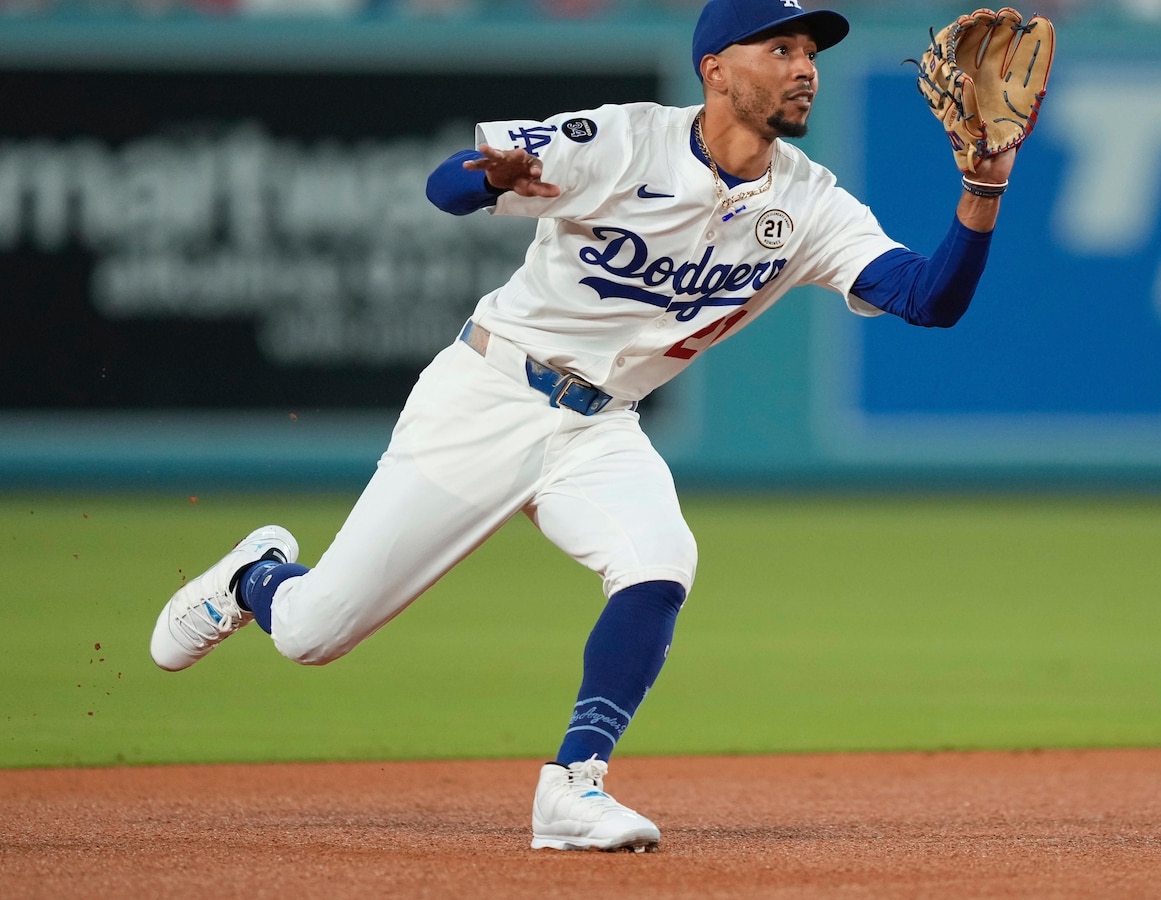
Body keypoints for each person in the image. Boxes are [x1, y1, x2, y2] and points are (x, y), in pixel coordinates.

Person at [150, 0, 1020, 853]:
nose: (804, 67)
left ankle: (572, 787)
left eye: (811, 53)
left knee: (659, 561)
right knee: (312, 634)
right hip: (487, 399)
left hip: (601, 427)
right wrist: (487, 178)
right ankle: (255, 580)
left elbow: (929, 300)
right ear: (716, 69)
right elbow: (446, 184)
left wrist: (982, 188)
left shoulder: (812, 203)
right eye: (781, 47)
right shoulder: (620, 140)